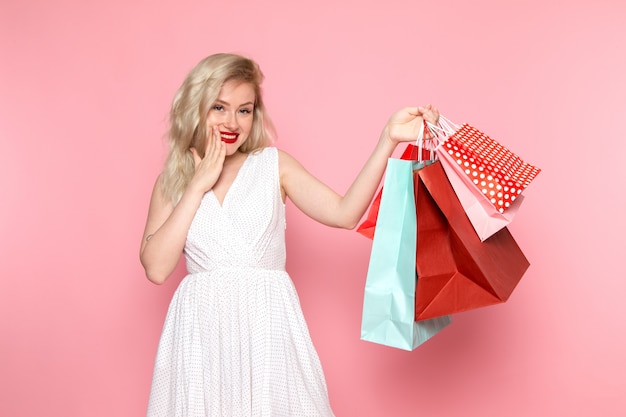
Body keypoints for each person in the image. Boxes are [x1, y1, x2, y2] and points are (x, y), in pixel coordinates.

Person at [140, 53, 439, 417]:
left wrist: (387, 139)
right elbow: (156, 269)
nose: (232, 122)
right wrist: (196, 185)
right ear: (196, 106)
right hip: (200, 339)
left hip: (267, 331)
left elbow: (345, 214)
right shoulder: (171, 183)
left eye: (245, 110)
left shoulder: (272, 165)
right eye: (219, 107)